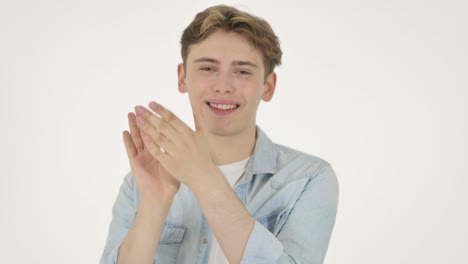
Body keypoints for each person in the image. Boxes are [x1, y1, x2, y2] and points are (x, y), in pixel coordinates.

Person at [100, 5, 338, 264]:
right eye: (208, 68)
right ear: (182, 78)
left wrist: (204, 178)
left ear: (268, 86)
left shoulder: (308, 179)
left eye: (242, 71)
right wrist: (155, 201)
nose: (223, 86)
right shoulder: (141, 181)